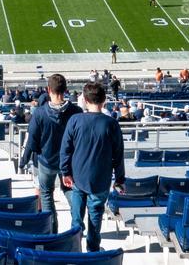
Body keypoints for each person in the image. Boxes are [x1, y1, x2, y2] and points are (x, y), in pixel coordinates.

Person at [60, 82, 126, 252]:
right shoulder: (111, 124)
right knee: (95, 219)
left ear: (85, 100)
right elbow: (118, 155)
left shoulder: (75, 120)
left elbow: (65, 150)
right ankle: (92, 252)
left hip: (78, 178)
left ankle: (75, 251)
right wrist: (119, 180)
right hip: (99, 180)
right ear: (104, 100)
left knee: (76, 219)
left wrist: (65, 172)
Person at [20, 73, 80, 233]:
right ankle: (77, 228)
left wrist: (38, 154)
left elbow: (32, 141)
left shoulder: (39, 113)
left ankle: (52, 233)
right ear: (66, 90)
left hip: (47, 161)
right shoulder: (76, 111)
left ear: (48, 90)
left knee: (46, 194)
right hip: (68, 161)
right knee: (70, 192)